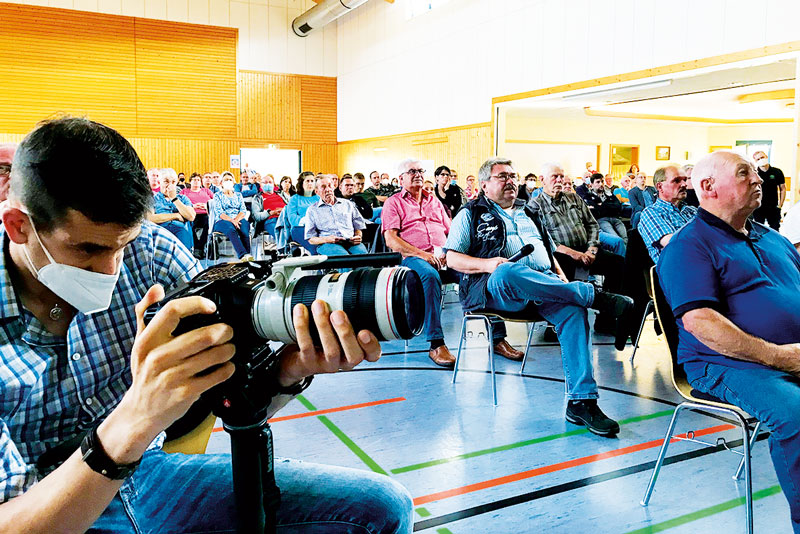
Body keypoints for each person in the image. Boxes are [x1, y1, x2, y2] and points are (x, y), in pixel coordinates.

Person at [0, 116, 413, 534]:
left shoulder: (153, 254)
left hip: (149, 475)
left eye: (123, 244)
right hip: (37, 504)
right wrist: (137, 417)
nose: (111, 270)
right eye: (88, 248)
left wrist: (288, 372)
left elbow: (224, 394)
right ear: (19, 226)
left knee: (382, 509)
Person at [658, 150, 800, 533]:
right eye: (745, 173)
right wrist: (779, 357)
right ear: (708, 187)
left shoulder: (771, 238)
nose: (758, 180)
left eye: (755, 173)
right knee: (796, 415)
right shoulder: (689, 246)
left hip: (789, 355)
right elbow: (700, 322)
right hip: (724, 363)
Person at [446, 157, 630, 437]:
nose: (510, 181)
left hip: (544, 286)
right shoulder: (470, 213)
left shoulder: (529, 211)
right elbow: (451, 259)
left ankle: (582, 401)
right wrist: (488, 264)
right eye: (502, 177)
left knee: (573, 310)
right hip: (496, 288)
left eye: (513, 175)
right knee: (508, 271)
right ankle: (591, 295)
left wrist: (562, 281)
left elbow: (550, 252)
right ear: (484, 185)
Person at [530, 163, 626, 335]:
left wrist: (591, 250)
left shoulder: (574, 198)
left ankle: (606, 321)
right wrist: (574, 254)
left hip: (586, 249)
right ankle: (557, 324)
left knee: (617, 263)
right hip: (559, 255)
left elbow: (592, 225)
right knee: (559, 271)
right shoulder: (535, 207)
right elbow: (541, 240)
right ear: (542, 180)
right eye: (555, 176)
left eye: (561, 176)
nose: (559, 180)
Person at [637, 165, 698, 263]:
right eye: (677, 181)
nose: (684, 184)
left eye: (685, 180)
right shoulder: (651, 213)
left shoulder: (692, 211)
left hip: (707, 265)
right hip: (680, 270)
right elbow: (677, 246)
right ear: (660, 186)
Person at [305, 176, 368, 256]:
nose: (328, 189)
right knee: (344, 261)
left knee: (364, 259)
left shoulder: (348, 204)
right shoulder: (312, 210)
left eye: (329, 185)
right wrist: (327, 239)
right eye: (323, 187)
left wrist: (358, 236)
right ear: (317, 191)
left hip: (350, 241)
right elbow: (311, 239)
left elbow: (358, 226)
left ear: (334, 187)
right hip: (328, 243)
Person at [148, 168, 196, 251]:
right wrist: (176, 216)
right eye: (166, 181)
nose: (170, 185)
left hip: (181, 231)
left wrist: (174, 198)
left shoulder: (183, 198)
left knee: (183, 233)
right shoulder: (152, 199)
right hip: (160, 231)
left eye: (173, 182)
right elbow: (150, 218)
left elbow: (191, 216)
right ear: (159, 182)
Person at [210, 172, 253, 260]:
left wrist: (236, 220)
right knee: (231, 229)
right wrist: (232, 221)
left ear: (233, 182)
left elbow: (243, 210)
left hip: (238, 218)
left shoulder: (238, 195)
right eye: (226, 180)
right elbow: (220, 213)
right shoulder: (217, 195)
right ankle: (243, 255)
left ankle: (247, 257)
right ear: (221, 183)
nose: (228, 181)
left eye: (230, 179)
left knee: (244, 229)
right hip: (222, 220)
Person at [578, 173, 627, 247]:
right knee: (616, 239)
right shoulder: (588, 196)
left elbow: (618, 206)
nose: (601, 184)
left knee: (625, 240)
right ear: (591, 184)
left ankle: (624, 258)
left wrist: (602, 205)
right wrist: (609, 206)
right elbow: (596, 211)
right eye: (598, 182)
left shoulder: (609, 194)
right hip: (602, 220)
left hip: (616, 219)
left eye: (602, 181)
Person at [182, 172, 215, 258]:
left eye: (198, 180)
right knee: (189, 225)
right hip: (191, 214)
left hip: (205, 214)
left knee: (208, 224)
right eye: (194, 180)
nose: (196, 182)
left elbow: (215, 201)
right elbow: (179, 203)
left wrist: (206, 206)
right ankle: (197, 247)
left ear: (201, 182)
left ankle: (199, 248)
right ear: (190, 181)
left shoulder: (207, 191)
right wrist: (193, 206)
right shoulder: (185, 192)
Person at [752, 150, 786, 230]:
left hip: (773, 207)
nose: (761, 160)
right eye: (758, 159)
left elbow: (783, 189)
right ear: (755, 161)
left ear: (766, 157)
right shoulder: (754, 173)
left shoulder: (777, 172)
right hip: (758, 207)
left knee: (775, 229)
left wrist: (780, 205)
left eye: (762, 157)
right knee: (758, 229)